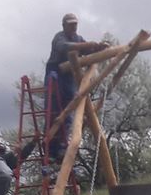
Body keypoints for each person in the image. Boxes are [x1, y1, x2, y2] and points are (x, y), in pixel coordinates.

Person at [44, 13, 106, 161]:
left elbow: (87, 50)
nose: (73, 27)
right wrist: (89, 45)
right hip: (56, 74)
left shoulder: (78, 38)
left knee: (69, 109)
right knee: (55, 110)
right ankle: (53, 148)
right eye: (70, 24)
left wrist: (98, 47)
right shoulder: (59, 37)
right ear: (64, 25)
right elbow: (65, 48)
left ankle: (62, 145)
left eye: (75, 24)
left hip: (69, 78)